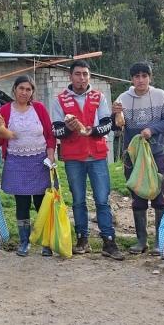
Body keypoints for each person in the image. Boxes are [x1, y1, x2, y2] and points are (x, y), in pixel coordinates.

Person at [50, 60, 123, 260]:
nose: (81, 78)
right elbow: (55, 130)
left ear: (89, 76)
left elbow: (107, 124)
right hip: (73, 157)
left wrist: (91, 131)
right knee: (78, 200)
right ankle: (82, 239)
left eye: (85, 74)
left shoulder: (99, 97)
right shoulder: (60, 100)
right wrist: (68, 128)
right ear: (70, 76)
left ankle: (109, 241)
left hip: (97, 155)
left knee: (102, 200)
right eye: (78, 74)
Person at [112, 62, 164, 255]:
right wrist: (115, 115)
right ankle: (141, 241)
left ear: (150, 77)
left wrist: (151, 129)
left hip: (156, 153)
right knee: (138, 196)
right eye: (136, 76)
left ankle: (160, 241)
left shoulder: (160, 95)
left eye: (144, 76)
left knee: (159, 196)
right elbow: (116, 127)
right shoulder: (123, 98)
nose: (140, 80)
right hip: (132, 156)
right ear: (131, 79)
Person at [0, 75, 56, 257]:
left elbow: (50, 134)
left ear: (32, 92)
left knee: (41, 203)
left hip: (40, 162)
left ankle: (45, 242)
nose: (24, 92)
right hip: (17, 162)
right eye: (21, 88)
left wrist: (51, 156)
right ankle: (24, 242)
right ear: (14, 89)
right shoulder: (4, 110)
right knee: (22, 204)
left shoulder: (39, 109)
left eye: (28, 89)